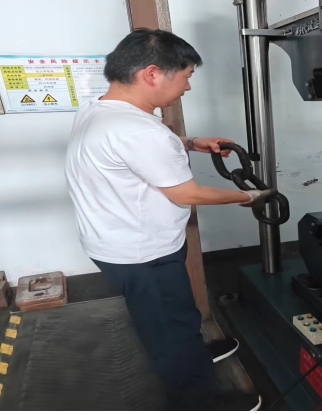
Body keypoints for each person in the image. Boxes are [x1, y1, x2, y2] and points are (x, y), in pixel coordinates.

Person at [65, 29, 272, 411]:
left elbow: (130, 150)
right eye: (186, 76)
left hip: (115, 242)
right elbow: (188, 194)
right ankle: (196, 399)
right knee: (169, 330)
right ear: (153, 74)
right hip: (143, 253)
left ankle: (192, 353)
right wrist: (251, 196)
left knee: (172, 313)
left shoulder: (99, 109)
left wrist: (191, 143)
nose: (187, 87)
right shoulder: (140, 131)